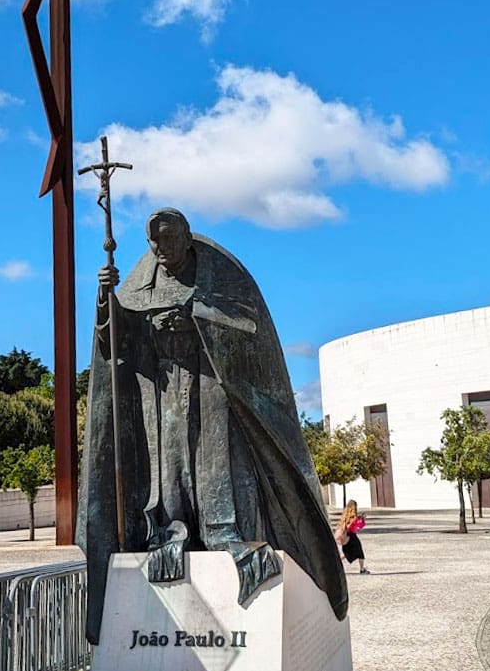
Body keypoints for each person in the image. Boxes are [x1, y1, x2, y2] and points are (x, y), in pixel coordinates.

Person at [76, 207, 348, 643]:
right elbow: (118, 345)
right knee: (170, 465)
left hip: (212, 383)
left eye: (167, 241)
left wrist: (194, 319)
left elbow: (246, 327)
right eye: (153, 243)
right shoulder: (142, 279)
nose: (160, 251)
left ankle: (227, 535)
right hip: (163, 389)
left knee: (214, 463)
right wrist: (106, 305)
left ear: (185, 238)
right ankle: (171, 531)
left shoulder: (222, 275)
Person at [334, 500, 369, 574]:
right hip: (352, 536)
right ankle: (362, 569)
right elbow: (359, 526)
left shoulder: (345, 516)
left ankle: (334, 564)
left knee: (346, 553)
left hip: (346, 536)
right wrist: (363, 520)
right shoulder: (354, 517)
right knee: (359, 552)